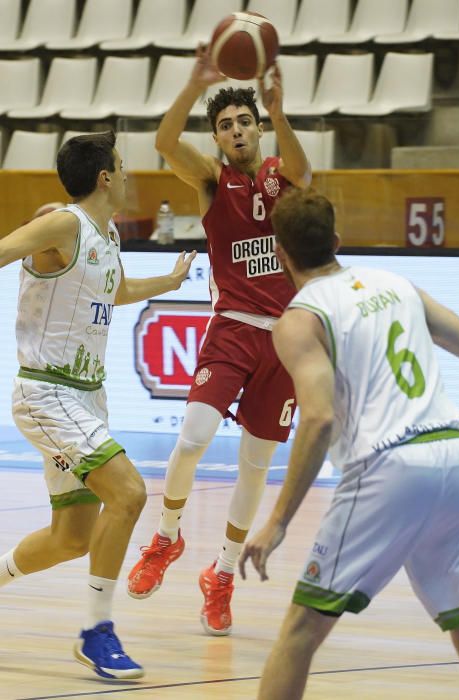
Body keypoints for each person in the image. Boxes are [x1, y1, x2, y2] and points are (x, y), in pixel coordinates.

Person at [239, 187, 459, 700]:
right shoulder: (396, 283)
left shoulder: (300, 318)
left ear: (279, 253)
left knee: (300, 632)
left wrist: (277, 522)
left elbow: (318, 419)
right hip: (457, 456)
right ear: (337, 240)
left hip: (388, 469)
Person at [127, 47, 312, 636]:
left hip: (284, 339)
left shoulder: (283, 175)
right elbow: (163, 141)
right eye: (225, 125)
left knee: (256, 466)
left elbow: (305, 171)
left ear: (258, 128)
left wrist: (282, 113)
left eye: (244, 122)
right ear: (218, 137)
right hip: (232, 328)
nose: (236, 131)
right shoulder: (212, 180)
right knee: (192, 438)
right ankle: (166, 537)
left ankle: (223, 573)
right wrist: (194, 85)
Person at [0, 131, 196, 680]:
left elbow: (113, 291)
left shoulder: (104, 234)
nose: (129, 173)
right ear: (105, 176)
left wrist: (170, 280)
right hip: (47, 391)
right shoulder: (62, 222)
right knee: (130, 493)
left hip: (87, 397)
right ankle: (96, 632)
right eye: (122, 165)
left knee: (72, 539)